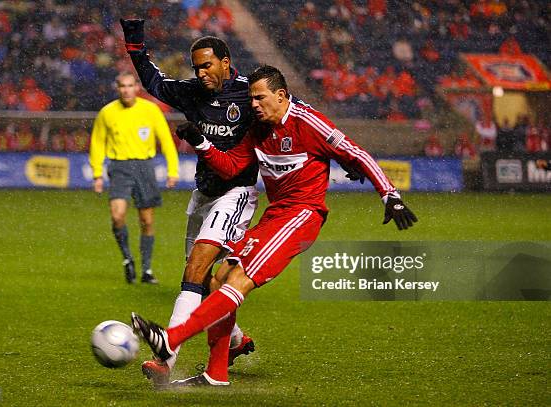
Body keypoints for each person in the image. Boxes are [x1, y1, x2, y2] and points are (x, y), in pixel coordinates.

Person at [131, 65, 417, 387]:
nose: (253, 104)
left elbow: (356, 153)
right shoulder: (258, 129)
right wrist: (201, 143)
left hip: (302, 215)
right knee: (219, 277)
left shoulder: (308, 122)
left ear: (281, 96)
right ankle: (216, 373)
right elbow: (232, 167)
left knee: (237, 279)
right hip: (276, 215)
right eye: (251, 98)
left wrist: (390, 196)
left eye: (259, 97)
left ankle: (171, 339)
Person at [120, 18, 263, 385]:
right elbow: (152, 80)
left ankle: (165, 358)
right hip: (203, 193)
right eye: (196, 66)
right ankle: (233, 340)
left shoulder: (249, 96)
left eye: (207, 65)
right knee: (199, 281)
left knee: (196, 269)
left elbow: (287, 113)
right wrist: (134, 41)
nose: (200, 73)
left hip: (237, 194)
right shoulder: (190, 92)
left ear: (226, 62)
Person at [89, 71, 179, 285]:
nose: (126, 90)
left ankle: (147, 269)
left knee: (146, 221)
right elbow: (97, 143)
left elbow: (166, 140)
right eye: (122, 86)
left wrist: (172, 170)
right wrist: (97, 174)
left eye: (130, 86)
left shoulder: (150, 110)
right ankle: (127, 259)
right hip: (119, 167)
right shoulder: (107, 113)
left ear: (137, 88)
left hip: (144, 167)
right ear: (117, 88)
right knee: (118, 215)